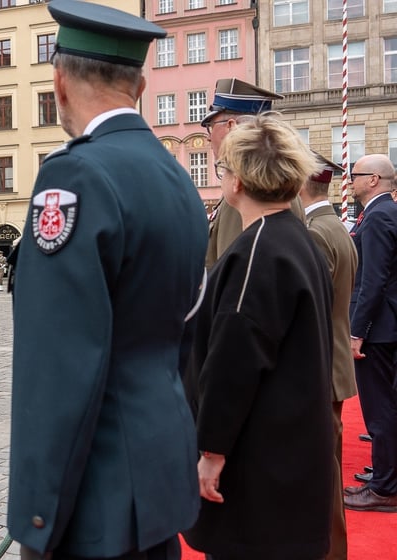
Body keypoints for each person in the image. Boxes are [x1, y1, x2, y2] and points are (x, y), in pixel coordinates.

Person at [7, 2, 209, 558]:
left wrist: (38, 510)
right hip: (157, 475)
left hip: (93, 496)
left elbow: (58, 362)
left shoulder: (74, 175)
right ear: (141, 86)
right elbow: (185, 334)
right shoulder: (178, 178)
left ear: (59, 83)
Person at [183, 114, 333, 558]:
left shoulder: (258, 251)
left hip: (259, 465)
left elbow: (234, 362)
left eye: (224, 169)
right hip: (292, 450)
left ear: (239, 182)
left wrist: (211, 453)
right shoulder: (296, 239)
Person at [300, 155, 358, 558]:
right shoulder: (334, 226)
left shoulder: (317, 233)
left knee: (323, 475)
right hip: (336, 359)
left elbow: (312, 309)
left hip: (323, 362)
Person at [343, 154, 397, 512]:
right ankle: (385, 474)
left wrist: (357, 331)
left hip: (378, 329)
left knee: (380, 410)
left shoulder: (377, 217)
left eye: (355, 174)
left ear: (374, 180)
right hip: (386, 325)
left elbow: (372, 281)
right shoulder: (384, 212)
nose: (349, 179)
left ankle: (384, 486)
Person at [202, 78, 283, 268]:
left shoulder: (245, 188)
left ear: (231, 126)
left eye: (211, 127)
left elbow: (233, 271)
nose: (209, 137)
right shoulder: (273, 180)